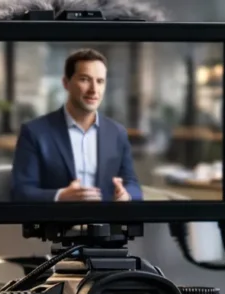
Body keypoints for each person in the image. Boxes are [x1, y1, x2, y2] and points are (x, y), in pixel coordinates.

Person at [10, 48, 143, 203]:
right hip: (57, 224)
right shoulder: (34, 132)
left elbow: (133, 185)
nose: (94, 90)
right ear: (66, 83)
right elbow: (20, 192)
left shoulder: (117, 133)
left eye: (100, 81)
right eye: (85, 79)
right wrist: (60, 196)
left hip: (104, 224)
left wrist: (125, 195)